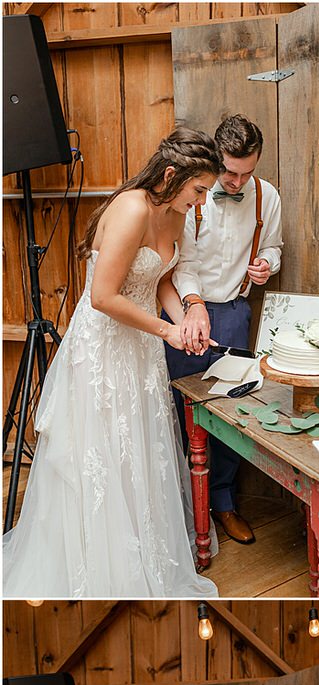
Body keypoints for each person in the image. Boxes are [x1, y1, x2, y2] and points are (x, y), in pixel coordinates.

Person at [3, 128, 221, 598]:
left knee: (139, 449)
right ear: (172, 175)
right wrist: (167, 330)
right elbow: (102, 296)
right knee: (102, 453)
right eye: (199, 189)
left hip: (141, 349)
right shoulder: (132, 207)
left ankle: (142, 551)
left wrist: (185, 322)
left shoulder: (175, 214)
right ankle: (98, 567)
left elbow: (160, 276)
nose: (201, 201)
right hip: (104, 348)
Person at [165, 113, 284, 546]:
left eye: (246, 173)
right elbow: (183, 263)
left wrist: (267, 264)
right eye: (230, 173)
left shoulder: (266, 196)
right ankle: (182, 502)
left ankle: (224, 502)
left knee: (233, 412)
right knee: (184, 407)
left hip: (234, 312)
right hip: (183, 311)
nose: (236, 182)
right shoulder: (192, 195)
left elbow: (274, 244)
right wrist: (193, 309)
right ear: (218, 158)